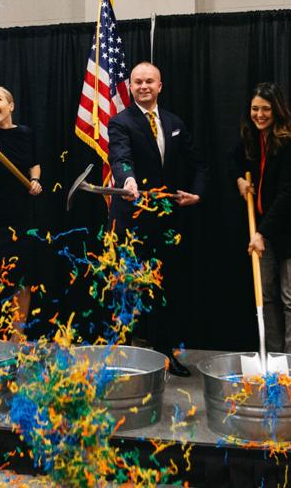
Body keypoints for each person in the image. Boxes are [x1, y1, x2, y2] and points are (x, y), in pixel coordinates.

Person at [108, 61, 207, 377]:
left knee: (164, 292)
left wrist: (197, 194)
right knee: (127, 290)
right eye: (137, 82)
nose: (143, 86)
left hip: (166, 224)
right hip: (131, 222)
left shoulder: (174, 122)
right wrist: (127, 180)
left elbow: (199, 164)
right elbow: (120, 156)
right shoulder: (120, 122)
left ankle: (163, 356)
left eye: (149, 81)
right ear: (131, 87)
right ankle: (122, 361)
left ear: (160, 85)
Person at [232, 83, 291, 356]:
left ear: (276, 110)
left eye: (266, 109)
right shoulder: (251, 138)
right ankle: (275, 358)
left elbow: (289, 194)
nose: (260, 115)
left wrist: (261, 233)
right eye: (255, 109)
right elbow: (233, 162)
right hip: (263, 229)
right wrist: (240, 180)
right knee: (265, 297)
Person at [0, 86, 42, 340]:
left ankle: (16, 342)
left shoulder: (26, 134)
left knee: (23, 283)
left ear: (10, 106)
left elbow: (34, 164)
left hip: (23, 219)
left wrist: (35, 181)